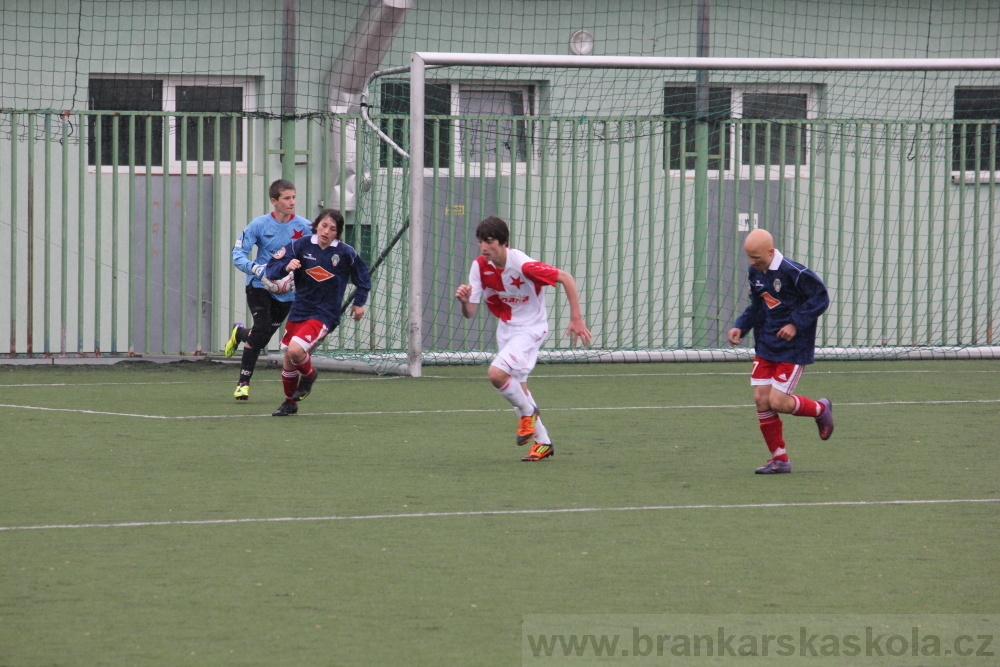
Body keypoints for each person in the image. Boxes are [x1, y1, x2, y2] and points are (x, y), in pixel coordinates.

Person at [455, 216, 592, 461]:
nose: (484, 247)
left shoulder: (523, 265)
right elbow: (470, 313)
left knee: (496, 374)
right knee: (519, 388)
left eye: (489, 242)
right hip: (506, 329)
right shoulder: (479, 266)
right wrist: (464, 302)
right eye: (480, 242)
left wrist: (577, 318)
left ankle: (528, 413)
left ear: (503, 242)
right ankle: (543, 442)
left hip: (531, 328)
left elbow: (566, 278)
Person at [727, 228, 834, 474]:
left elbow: (820, 298)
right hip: (766, 344)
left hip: (793, 348)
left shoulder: (793, 272)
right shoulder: (755, 271)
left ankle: (821, 409)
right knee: (761, 400)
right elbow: (758, 305)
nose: (752, 262)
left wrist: (795, 323)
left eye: (756, 257)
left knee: (778, 402)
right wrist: (740, 327)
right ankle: (780, 459)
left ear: (771, 251)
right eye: (749, 257)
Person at [266, 208, 371, 417]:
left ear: (337, 233)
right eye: (324, 225)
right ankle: (290, 403)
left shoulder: (345, 252)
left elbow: (363, 278)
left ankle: (310, 375)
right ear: (317, 225)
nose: (326, 231)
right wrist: (286, 266)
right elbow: (271, 268)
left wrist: (359, 303)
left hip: (324, 314)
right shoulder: (300, 245)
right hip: (299, 310)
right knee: (288, 357)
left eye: (333, 229)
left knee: (295, 351)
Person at [225, 179, 313, 401]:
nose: (292, 202)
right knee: (263, 329)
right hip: (259, 286)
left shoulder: (304, 227)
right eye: (286, 198)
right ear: (274, 201)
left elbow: (317, 253)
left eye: (293, 197)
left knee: (260, 337)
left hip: (288, 292)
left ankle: (240, 333)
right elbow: (237, 254)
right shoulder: (258, 225)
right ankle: (243, 383)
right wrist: (257, 269)